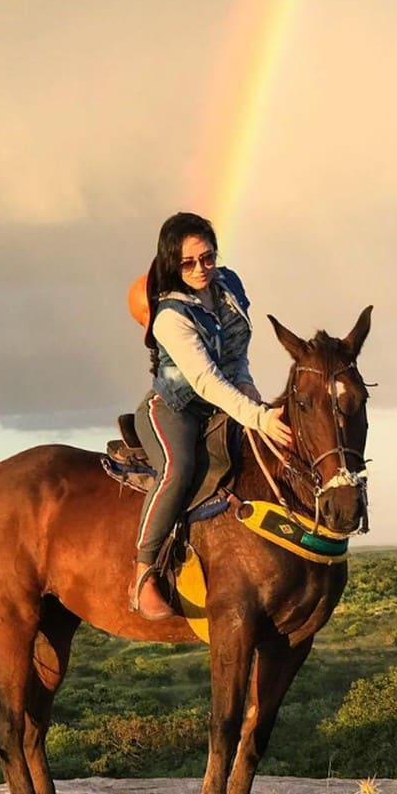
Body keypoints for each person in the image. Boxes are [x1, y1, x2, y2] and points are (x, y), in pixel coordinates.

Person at [130, 212, 292, 620]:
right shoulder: (170, 316)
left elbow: (236, 353)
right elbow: (205, 381)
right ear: (172, 262)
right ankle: (144, 572)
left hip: (227, 399)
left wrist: (251, 389)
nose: (201, 268)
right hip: (176, 407)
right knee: (178, 469)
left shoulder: (229, 286)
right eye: (188, 262)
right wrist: (256, 415)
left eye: (207, 257)